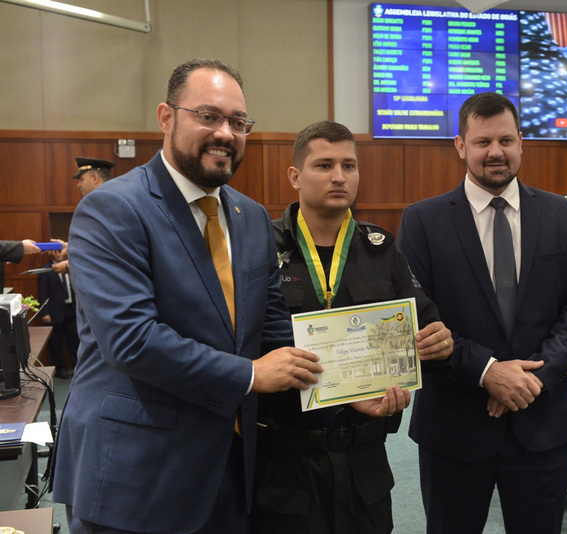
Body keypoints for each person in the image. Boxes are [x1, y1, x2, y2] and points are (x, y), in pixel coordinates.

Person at [51, 58, 324, 534]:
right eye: (208, 116)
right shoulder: (112, 209)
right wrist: (250, 374)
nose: (225, 133)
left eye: (238, 122)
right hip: (136, 477)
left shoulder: (251, 217)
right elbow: (132, 341)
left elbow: (272, 329)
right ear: (166, 117)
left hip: (231, 469)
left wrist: (347, 386)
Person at [397, 92, 567, 534]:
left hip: (540, 422)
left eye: (506, 140)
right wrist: (488, 371)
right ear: (460, 145)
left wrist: (533, 379)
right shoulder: (422, 221)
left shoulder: (560, 213)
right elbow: (418, 320)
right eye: (483, 141)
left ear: (521, 143)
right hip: (454, 427)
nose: (496, 152)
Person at [252, 120, 453, 533]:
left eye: (349, 165)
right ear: (295, 176)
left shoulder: (381, 249)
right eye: (324, 165)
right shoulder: (260, 249)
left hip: (365, 461)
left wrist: (438, 341)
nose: (339, 176)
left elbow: (423, 324)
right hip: (285, 463)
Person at [37, 245, 78, 378]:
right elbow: (42, 293)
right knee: (55, 342)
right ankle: (61, 369)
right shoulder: (46, 269)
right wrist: (45, 313)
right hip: (54, 312)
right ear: (50, 253)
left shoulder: (72, 267)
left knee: (74, 340)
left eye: (60, 250)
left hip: (72, 309)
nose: (58, 253)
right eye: (55, 251)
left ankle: (77, 367)